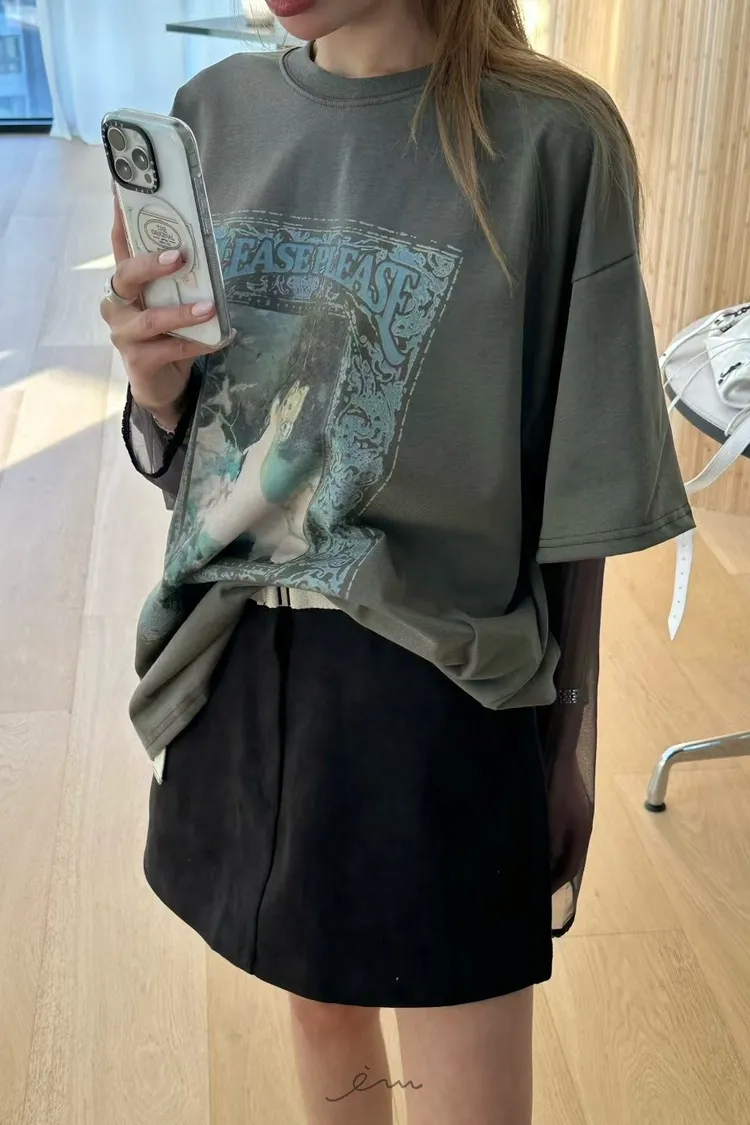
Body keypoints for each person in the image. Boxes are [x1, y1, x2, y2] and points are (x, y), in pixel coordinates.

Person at [100, 2, 694, 1123]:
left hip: (436, 686)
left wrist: (567, 743)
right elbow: (200, 474)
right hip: (236, 658)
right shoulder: (213, 115)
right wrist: (156, 393)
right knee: (322, 1013)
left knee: (460, 1070)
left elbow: (574, 499)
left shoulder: (552, 141)